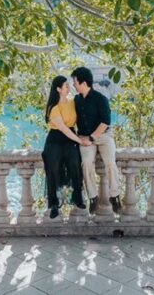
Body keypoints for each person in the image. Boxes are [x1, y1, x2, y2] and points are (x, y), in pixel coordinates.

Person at [71, 66, 121, 214]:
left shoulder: (101, 99)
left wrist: (92, 138)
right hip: (85, 138)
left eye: (75, 82)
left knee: (110, 163)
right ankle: (93, 197)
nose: (73, 84)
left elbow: (105, 122)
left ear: (83, 83)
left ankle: (115, 196)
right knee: (86, 163)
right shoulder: (76, 100)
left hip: (103, 136)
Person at [42, 75, 88, 219]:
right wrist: (80, 141)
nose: (69, 87)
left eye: (69, 85)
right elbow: (62, 128)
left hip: (70, 137)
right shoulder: (52, 107)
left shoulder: (72, 102)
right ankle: (54, 203)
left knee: (74, 160)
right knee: (53, 163)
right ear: (58, 89)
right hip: (56, 137)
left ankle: (77, 196)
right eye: (66, 86)